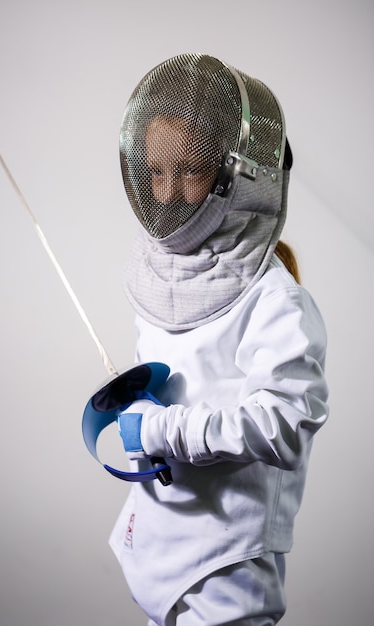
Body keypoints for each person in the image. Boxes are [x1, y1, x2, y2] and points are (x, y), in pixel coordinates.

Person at [108, 53, 329, 626]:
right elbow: (172, 388)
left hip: (225, 567)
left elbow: (287, 422)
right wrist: (135, 403)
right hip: (158, 542)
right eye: (156, 171)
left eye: (190, 169)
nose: (171, 191)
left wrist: (161, 429)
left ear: (240, 174)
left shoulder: (275, 300)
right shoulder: (163, 280)